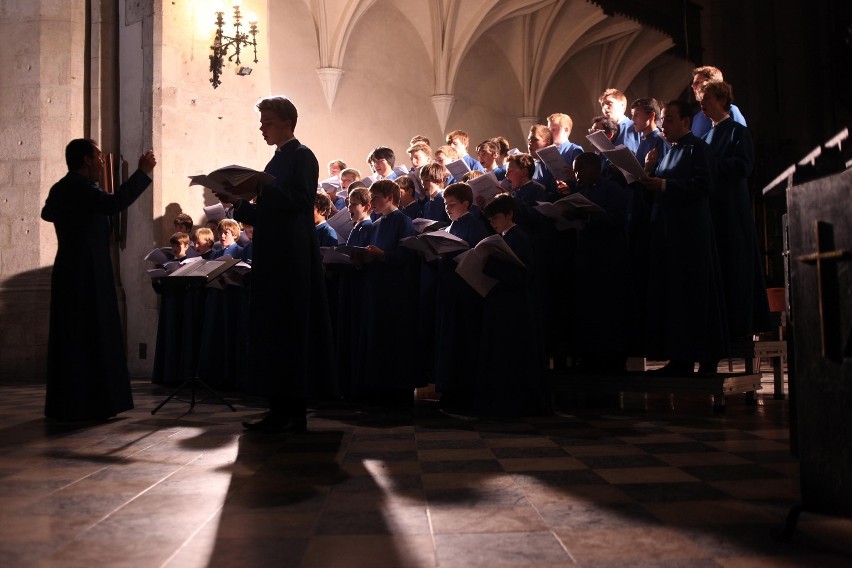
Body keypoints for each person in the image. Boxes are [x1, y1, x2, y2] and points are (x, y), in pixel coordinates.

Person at [222, 95, 334, 433]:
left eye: (268, 121)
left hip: (293, 257)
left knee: (291, 330)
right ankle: (277, 408)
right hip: (272, 256)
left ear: (287, 122)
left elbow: (300, 202)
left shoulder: (302, 156)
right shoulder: (274, 163)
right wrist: (237, 203)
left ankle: (294, 411)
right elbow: (265, 213)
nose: (262, 127)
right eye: (262, 121)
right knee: (272, 330)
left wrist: (260, 189)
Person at [41, 139, 156, 421]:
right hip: (87, 272)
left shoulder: (62, 188)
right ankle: (94, 403)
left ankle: (69, 403)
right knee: (94, 334)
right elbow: (115, 203)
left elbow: (48, 213)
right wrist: (142, 173)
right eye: (98, 156)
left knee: (72, 337)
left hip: (70, 268)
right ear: (86, 159)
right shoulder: (80, 188)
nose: (103, 162)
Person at [640, 100, 728, 375]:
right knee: (675, 297)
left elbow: (704, 185)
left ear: (686, 122)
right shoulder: (668, 152)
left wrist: (664, 184)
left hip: (691, 236)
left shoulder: (698, 149)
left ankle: (706, 358)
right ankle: (680, 357)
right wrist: (649, 170)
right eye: (663, 120)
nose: (663, 126)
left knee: (695, 295)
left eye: (668, 120)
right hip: (670, 235)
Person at [700, 81, 770, 341]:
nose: (702, 105)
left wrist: (712, 163)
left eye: (706, 99)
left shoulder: (737, 132)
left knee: (737, 261)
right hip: (714, 207)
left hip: (732, 206)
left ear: (721, 99)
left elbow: (743, 166)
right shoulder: (706, 136)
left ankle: (741, 324)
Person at [690, 66, 747, 138]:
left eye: (698, 82)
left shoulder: (731, 111)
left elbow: (740, 137)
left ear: (713, 83)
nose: (693, 86)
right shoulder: (696, 118)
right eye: (693, 83)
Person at [599, 88, 641, 153]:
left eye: (609, 103)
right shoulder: (605, 130)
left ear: (622, 105)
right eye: (603, 105)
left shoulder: (636, 127)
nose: (604, 108)